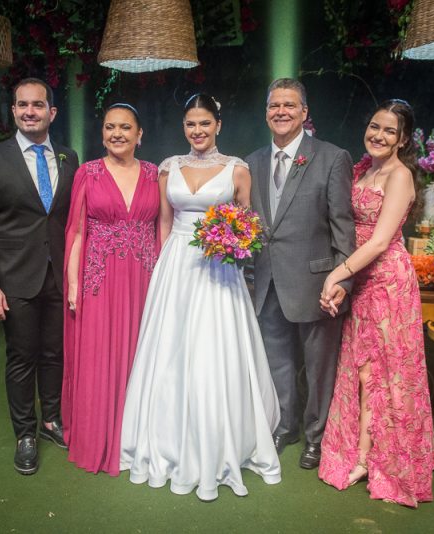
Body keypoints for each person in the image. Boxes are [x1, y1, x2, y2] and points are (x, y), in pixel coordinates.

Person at [119, 93, 281, 501]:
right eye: (191, 124)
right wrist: (160, 267)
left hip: (218, 270)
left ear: (218, 126)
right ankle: (166, 437)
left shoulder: (237, 169)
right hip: (176, 265)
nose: (197, 131)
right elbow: (164, 222)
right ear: (184, 127)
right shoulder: (168, 168)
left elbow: (251, 225)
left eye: (204, 123)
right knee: (170, 351)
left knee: (214, 350)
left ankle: (221, 437)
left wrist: (234, 249)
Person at [318, 99, 434, 507]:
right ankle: (362, 451)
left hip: (387, 282)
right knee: (364, 369)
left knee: (381, 374)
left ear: (403, 139)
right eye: (374, 126)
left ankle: (372, 458)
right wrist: (344, 277)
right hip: (362, 279)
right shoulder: (363, 170)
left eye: (389, 131)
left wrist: (337, 273)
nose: (378, 136)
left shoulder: (400, 175)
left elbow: (382, 240)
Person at [0, 78, 79, 475]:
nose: (29, 111)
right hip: (14, 280)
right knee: (21, 358)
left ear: (52, 111)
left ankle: (51, 421)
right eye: (22, 105)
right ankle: (25, 433)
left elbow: (70, 221)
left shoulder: (69, 157)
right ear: (13, 111)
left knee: (55, 354)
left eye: (38, 104)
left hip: (58, 276)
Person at [245, 78, 356, 469]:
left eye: (290, 105)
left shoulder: (331, 157)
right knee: (278, 362)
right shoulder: (253, 161)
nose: (281, 112)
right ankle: (285, 425)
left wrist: (342, 280)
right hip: (267, 281)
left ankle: (316, 435)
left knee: (319, 365)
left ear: (305, 113)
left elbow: (344, 227)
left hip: (316, 283)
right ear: (266, 113)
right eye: (274, 105)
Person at [62, 104, 160, 475]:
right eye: (109, 127)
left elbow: (163, 228)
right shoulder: (88, 172)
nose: (116, 133)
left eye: (125, 127)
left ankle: (138, 439)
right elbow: (76, 231)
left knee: (140, 353)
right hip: (98, 279)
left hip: (144, 278)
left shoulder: (155, 174)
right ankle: (99, 437)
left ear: (139, 134)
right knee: (100, 353)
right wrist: (73, 284)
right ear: (102, 133)